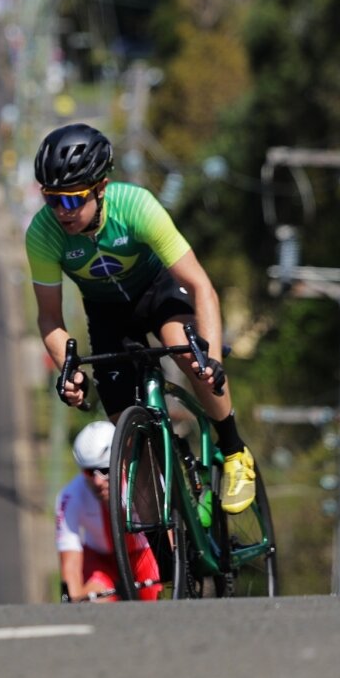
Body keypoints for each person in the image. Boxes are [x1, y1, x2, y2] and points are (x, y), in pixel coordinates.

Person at [25, 122, 256, 515]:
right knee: (126, 437)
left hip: (158, 292)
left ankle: (234, 451)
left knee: (188, 357)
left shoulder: (136, 206)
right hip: (107, 312)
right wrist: (69, 371)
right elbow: (49, 319)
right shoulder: (43, 234)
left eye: (72, 200)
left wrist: (211, 358)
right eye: (52, 199)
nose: (62, 212)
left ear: (101, 187)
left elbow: (202, 286)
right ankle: (164, 549)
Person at [56, 421, 161, 602]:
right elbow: (70, 565)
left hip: (144, 555)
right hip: (102, 561)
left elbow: (168, 538)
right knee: (87, 604)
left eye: (105, 470)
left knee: (156, 601)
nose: (97, 481)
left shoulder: (144, 482)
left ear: (122, 462)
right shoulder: (70, 496)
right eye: (89, 472)